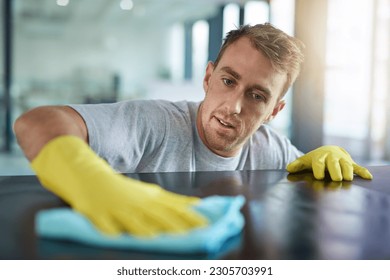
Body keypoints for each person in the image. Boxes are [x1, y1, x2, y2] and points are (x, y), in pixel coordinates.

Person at [13, 23, 372, 237]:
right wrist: (90, 179)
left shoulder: (271, 149)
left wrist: (321, 158)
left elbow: (304, 172)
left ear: (274, 111)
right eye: (228, 80)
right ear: (207, 77)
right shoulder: (153, 124)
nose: (233, 106)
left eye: (257, 96)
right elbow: (35, 122)